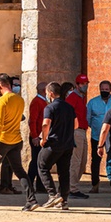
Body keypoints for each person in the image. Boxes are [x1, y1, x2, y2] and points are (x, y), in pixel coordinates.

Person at [0, 73, 39, 212]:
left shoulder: (1, 101)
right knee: (19, 170)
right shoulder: (20, 100)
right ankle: (31, 199)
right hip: (16, 140)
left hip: (3, 141)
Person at [38, 81, 77, 211]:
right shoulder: (69, 107)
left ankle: (52, 194)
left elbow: (45, 124)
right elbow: (76, 124)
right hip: (68, 144)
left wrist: (43, 138)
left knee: (42, 166)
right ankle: (63, 200)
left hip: (54, 143)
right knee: (64, 172)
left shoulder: (50, 107)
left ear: (51, 93)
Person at [66, 74, 90, 199]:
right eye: (82, 84)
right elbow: (68, 115)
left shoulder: (81, 98)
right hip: (76, 131)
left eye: (86, 83)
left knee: (82, 161)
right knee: (76, 161)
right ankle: (71, 188)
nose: (85, 86)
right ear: (77, 85)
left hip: (83, 131)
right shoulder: (73, 97)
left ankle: (72, 186)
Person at [86, 80, 111, 193]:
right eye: (102, 89)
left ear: (110, 90)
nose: (104, 91)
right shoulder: (92, 102)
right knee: (96, 160)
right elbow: (88, 119)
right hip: (97, 136)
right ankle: (95, 184)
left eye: (106, 89)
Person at [27, 82, 49, 194]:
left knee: (41, 161)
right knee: (36, 161)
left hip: (42, 136)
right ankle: (30, 183)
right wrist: (35, 136)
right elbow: (33, 120)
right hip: (37, 137)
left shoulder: (43, 101)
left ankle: (40, 186)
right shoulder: (37, 102)